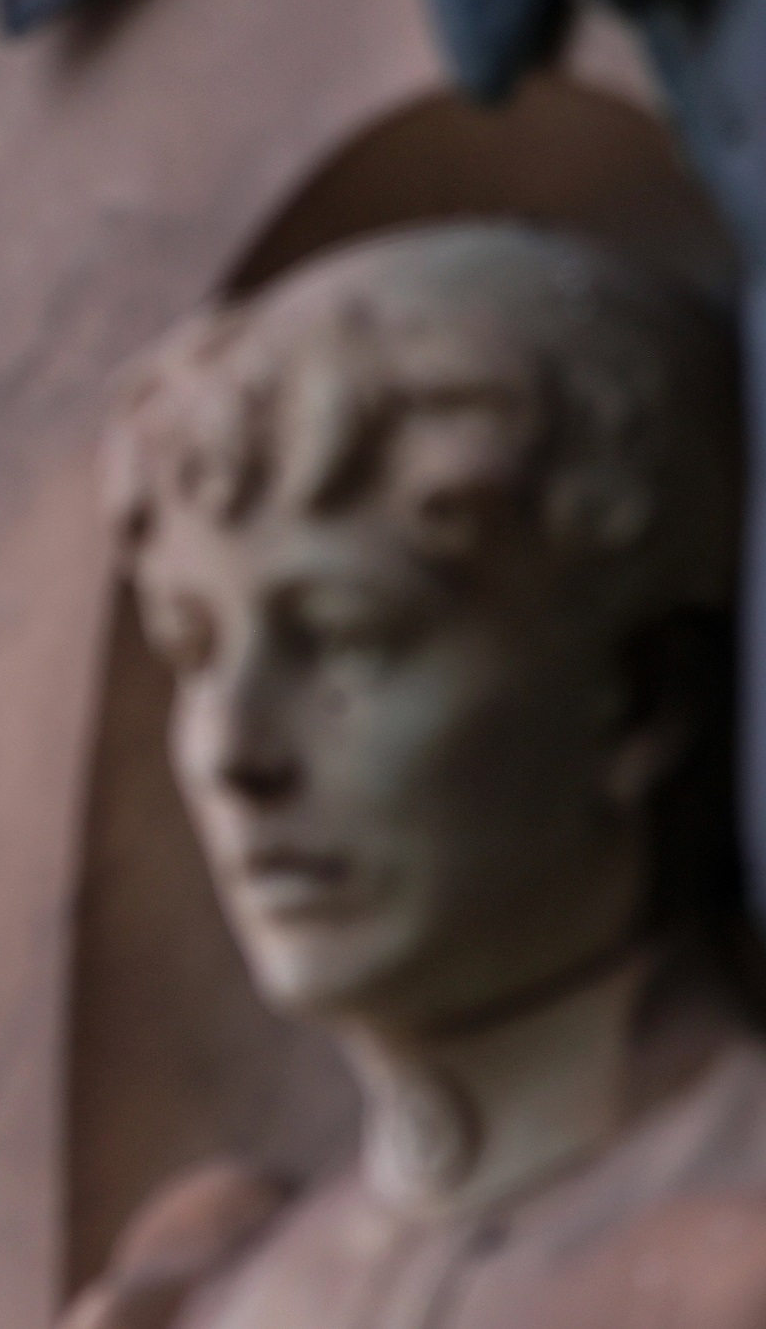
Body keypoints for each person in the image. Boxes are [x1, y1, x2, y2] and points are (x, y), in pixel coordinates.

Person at [74, 222, 766, 1329]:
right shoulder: (205, 1289)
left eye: (347, 641)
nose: (233, 754)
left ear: (643, 698)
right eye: (196, 650)